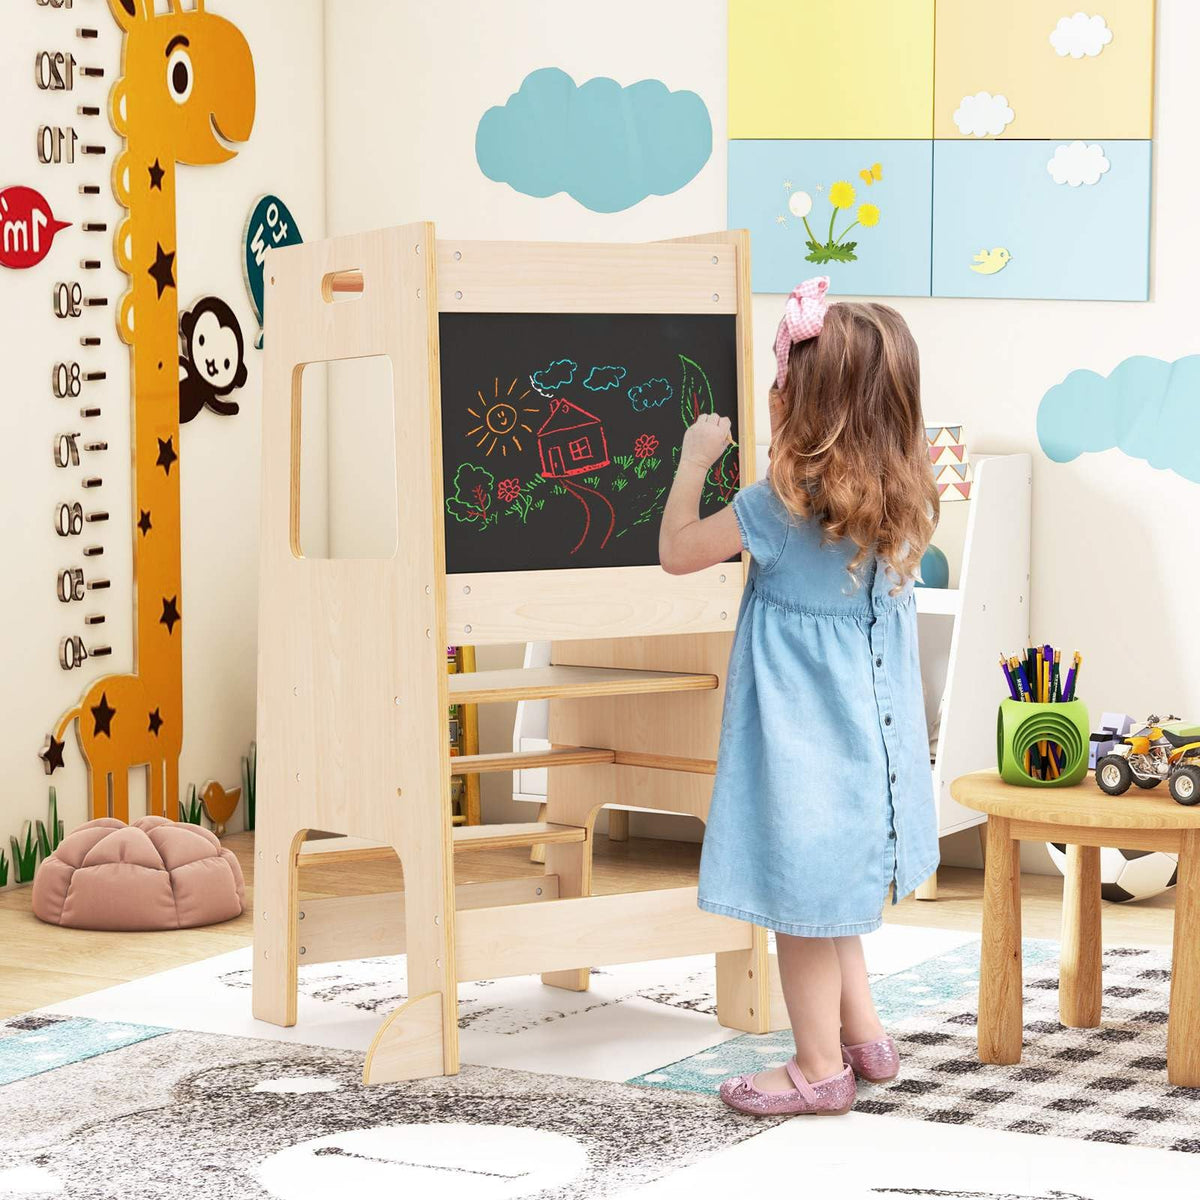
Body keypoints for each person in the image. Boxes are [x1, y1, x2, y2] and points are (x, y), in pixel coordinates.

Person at [658, 277, 939, 1117]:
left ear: (802, 403)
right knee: (834, 896)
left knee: (802, 910)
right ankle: (865, 1036)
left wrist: (693, 461)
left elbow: (676, 550)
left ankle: (818, 1067)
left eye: (781, 376)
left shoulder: (775, 511)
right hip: (873, 758)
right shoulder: (904, 505)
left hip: (804, 755)